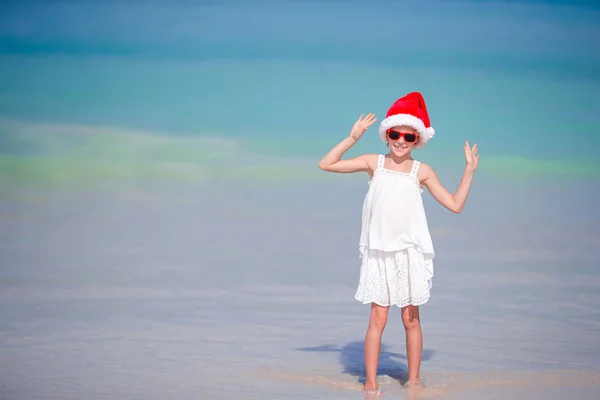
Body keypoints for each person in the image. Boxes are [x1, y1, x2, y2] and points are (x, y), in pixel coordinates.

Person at [317, 92, 479, 395]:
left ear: (417, 139)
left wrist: (469, 171)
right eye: (395, 134)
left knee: (410, 319)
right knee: (378, 317)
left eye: (408, 135)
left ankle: (414, 382)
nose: (401, 140)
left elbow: (455, 205)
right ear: (387, 135)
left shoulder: (423, 171)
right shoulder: (373, 163)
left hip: (408, 253)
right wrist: (352, 137)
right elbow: (326, 164)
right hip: (379, 251)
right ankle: (370, 382)